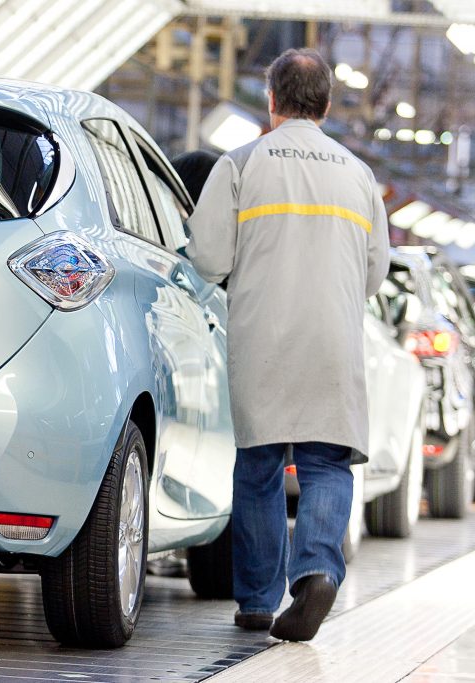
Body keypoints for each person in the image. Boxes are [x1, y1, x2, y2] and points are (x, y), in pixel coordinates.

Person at [185, 47, 389, 642]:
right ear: (326, 103)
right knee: (326, 464)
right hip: (333, 340)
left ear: (271, 101)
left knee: (259, 468)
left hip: (261, 338)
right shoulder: (358, 175)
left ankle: (255, 600)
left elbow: (208, 257)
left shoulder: (240, 165)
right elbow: (375, 276)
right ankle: (319, 570)